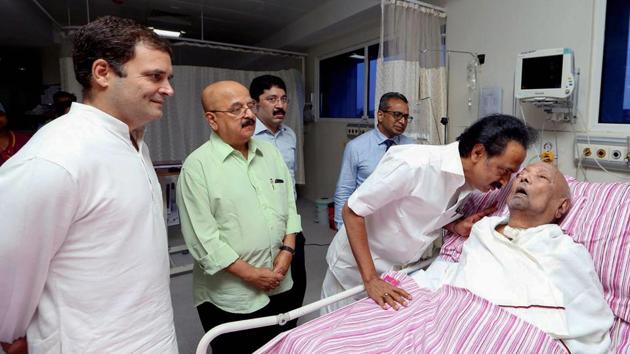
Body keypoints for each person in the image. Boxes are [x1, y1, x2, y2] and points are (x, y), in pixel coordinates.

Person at [0, 16, 177, 353]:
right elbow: (7, 268)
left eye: (168, 77)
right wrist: (14, 334)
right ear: (102, 73)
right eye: (156, 76)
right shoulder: (56, 157)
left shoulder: (134, 142)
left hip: (153, 333)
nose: (168, 89)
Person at [322, 114, 536, 313]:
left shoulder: (467, 183)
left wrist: (454, 226)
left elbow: (422, 212)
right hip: (354, 272)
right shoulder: (413, 165)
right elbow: (352, 211)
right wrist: (370, 279)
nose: (505, 182)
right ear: (477, 153)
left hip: (392, 273)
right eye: (504, 170)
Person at [424, 162, 614, 353]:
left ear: (561, 206)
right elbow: (459, 278)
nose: (524, 177)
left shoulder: (564, 250)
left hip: (511, 338)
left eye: (542, 177)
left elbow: (588, 318)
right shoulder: (483, 229)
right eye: (523, 173)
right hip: (450, 324)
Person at [176, 80, 302, 353]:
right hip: (232, 296)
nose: (248, 114)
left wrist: (288, 249)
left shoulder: (270, 152)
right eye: (236, 109)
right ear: (212, 119)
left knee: (279, 346)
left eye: (249, 106)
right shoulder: (197, 168)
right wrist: (253, 275)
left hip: (280, 279)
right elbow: (203, 240)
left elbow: (289, 204)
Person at [250, 74, 306, 328]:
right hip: (261, 225)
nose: (280, 105)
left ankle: (288, 332)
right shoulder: (247, 137)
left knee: (298, 282)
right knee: (266, 284)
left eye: (283, 99)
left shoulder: (290, 135)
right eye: (271, 99)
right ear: (255, 103)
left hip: (291, 221)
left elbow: (290, 180)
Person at [333, 92, 415, 229]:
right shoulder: (356, 147)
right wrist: (341, 226)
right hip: (366, 221)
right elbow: (344, 190)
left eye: (406, 117)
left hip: (399, 223)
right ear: (380, 115)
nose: (403, 121)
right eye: (397, 115)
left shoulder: (411, 147)